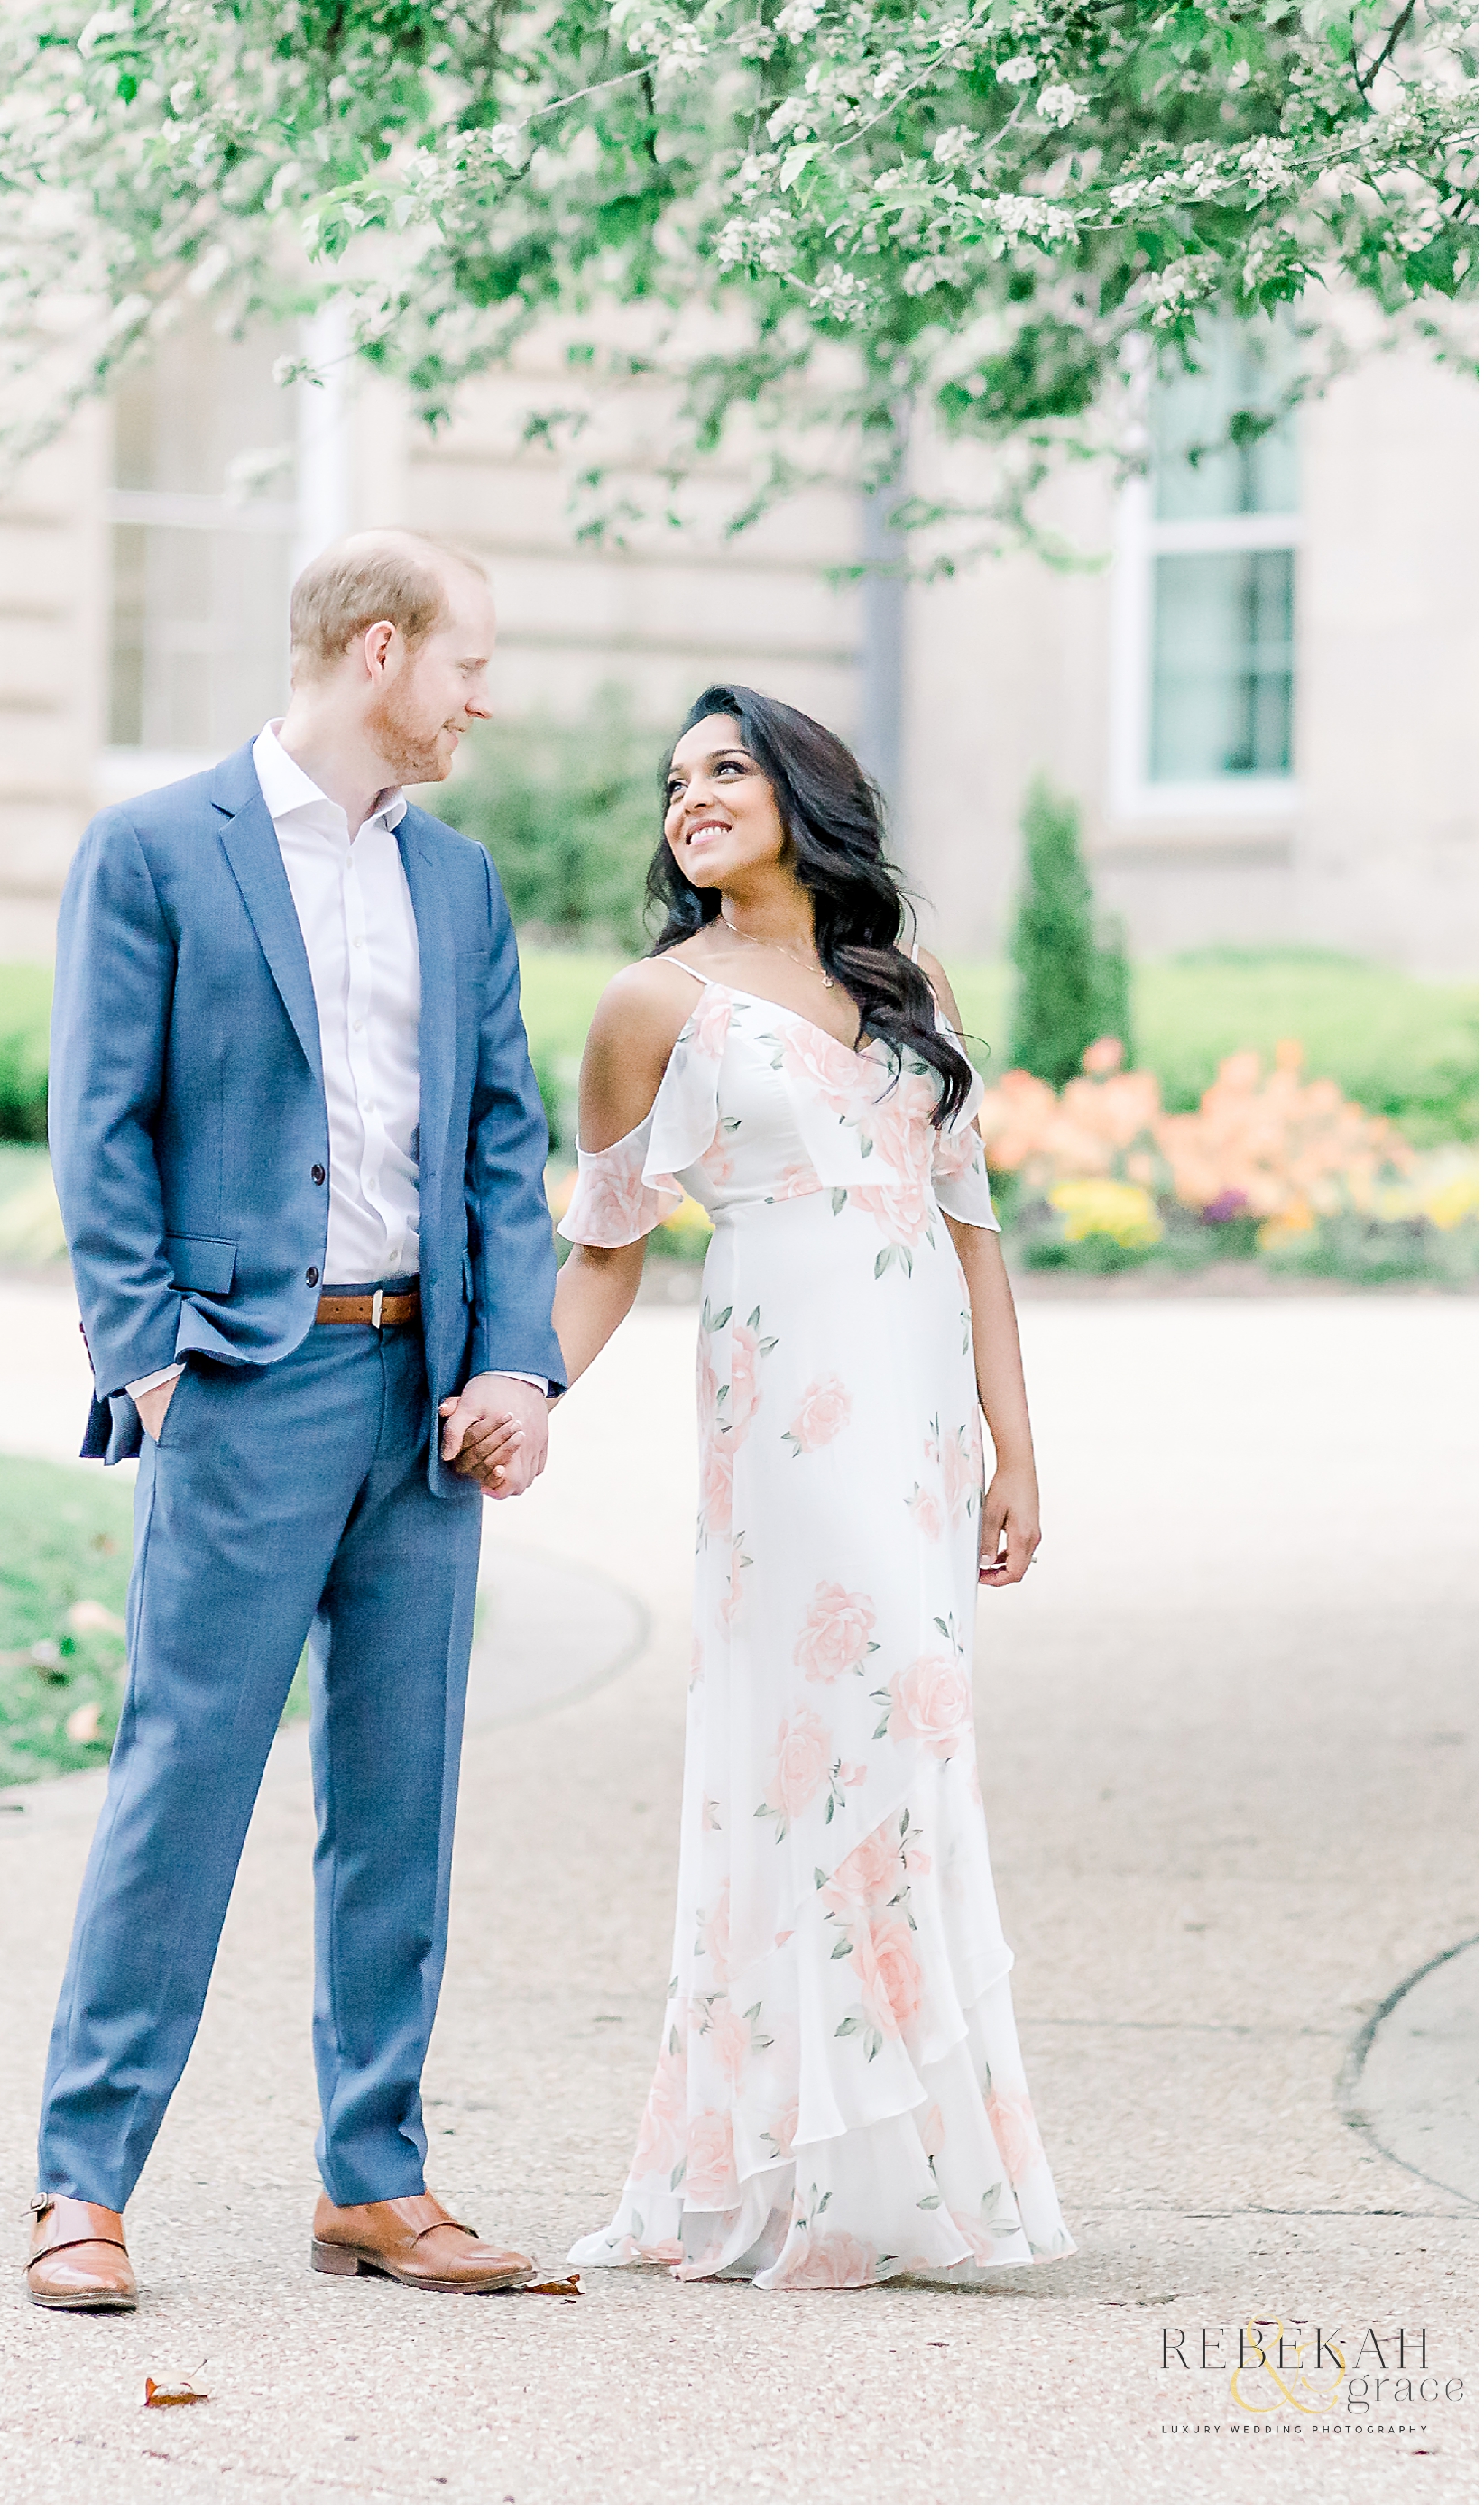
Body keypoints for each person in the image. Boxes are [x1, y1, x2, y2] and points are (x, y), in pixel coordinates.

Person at [24, 531, 564, 2314]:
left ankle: (373, 2181)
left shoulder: (461, 883)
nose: (483, 696)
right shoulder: (158, 851)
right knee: (183, 1781)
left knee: (397, 1804)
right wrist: (153, 1356)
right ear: (380, 649)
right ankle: (82, 2186)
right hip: (247, 1386)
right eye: (467, 662)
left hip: (423, 1404)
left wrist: (515, 1362)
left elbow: (498, 1132)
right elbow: (98, 1120)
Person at [552, 683, 1076, 2289]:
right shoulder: (655, 1004)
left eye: (724, 769)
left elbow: (970, 1222)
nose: (690, 798)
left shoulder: (904, 985)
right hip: (787, 1398)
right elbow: (604, 1245)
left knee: (907, 1736)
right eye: (670, 783)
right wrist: (518, 1392)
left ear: (803, 792)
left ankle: (894, 2168)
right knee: (858, 1719)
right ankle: (785, 2165)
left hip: (916, 1409)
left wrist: (1011, 1443)